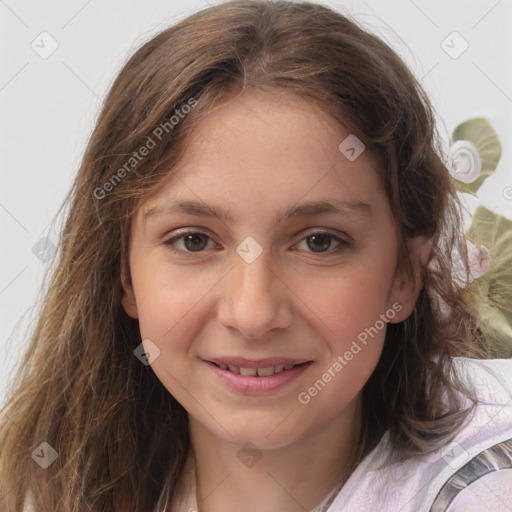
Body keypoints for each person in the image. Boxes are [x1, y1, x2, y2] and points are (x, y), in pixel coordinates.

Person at [0, 1, 510, 511]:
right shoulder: (41, 487)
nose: (253, 314)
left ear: (404, 276)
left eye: (319, 242)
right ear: (123, 275)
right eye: (193, 240)